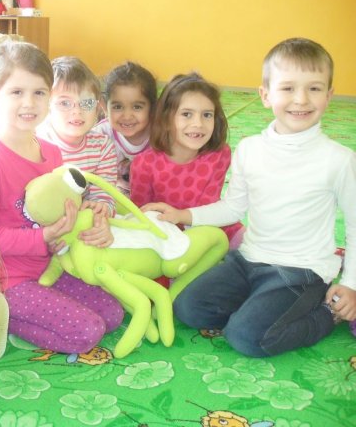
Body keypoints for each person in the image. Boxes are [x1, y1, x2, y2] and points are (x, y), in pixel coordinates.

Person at [143, 38, 356, 357]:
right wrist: (181, 215)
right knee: (188, 308)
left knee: (246, 337)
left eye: (314, 88)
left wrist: (350, 283)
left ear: (329, 95)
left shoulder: (338, 159)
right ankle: (261, 306)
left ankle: (327, 314)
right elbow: (233, 207)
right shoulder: (249, 148)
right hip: (248, 260)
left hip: (301, 271)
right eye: (287, 88)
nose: (300, 99)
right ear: (265, 95)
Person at [0, 42, 123, 355]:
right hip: (7, 278)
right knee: (87, 332)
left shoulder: (51, 153)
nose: (29, 103)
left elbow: (56, 211)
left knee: (112, 314)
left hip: (49, 266)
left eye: (39, 92)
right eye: (16, 92)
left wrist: (78, 222)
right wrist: (43, 238)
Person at [130, 72, 244, 250]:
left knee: (255, 246)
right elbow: (141, 215)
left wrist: (183, 219)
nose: (198, 123)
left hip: (209, 224)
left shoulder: (220, 154)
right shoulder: (143, 164)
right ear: (166, 119)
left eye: (207, 115)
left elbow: (209, 208)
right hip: (164, 232)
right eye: (186, 114)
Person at [38, 56, 118, 247]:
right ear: (47, 107)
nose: (77, 111)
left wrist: (101, 215)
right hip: (43, 221)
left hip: (82, 220)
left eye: (87, 103)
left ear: (98, 107)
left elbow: (104, 196)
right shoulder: (37, 143)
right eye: (65, 103)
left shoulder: (103, 146)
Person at [93, 61, 157, 196]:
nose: (127, 116)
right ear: (105, 106)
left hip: (150, 199)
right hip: (109, 199)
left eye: (137, 107)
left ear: (152, 108)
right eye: (118, 107)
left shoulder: (159, 135)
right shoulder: (100, 135)